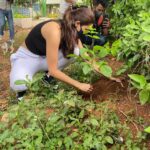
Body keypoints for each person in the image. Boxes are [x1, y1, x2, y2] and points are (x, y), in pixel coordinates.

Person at [10, 7, 94, 100]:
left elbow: (84, 54)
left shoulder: (72, 28)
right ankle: (21, 93)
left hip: (46, 57)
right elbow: (54, 70)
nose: (86, 32)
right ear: (78, 23)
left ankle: (47, 77)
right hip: (28, 58)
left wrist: (103, 71)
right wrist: (78, 85)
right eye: (86, 29)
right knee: (20, 85)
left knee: (75, 51)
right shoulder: (55, 30)